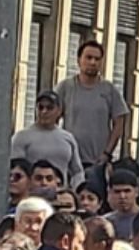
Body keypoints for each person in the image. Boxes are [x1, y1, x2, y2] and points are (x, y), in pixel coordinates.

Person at [54, 40, 131, 171]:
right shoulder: (65, 87)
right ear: (79, 60)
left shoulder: (109, 90)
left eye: (97, 59)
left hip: (97, 162)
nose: (93, 62)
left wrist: (107, 153)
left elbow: (119, 123)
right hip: (69, 160)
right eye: (88, 58)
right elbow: (51, 118)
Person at [10, 92, 86, 187]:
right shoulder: (21, 137)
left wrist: (76, 190)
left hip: (59, 195)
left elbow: (77, 172)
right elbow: (15, 171)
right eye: (40, 107)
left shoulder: (68, 138)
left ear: (59, 111)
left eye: (49, 108)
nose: (44, 111)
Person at [105, 170, 139, 242]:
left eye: (127, 191)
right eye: (117, 192)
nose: (122, 196)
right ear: (110, 193)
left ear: (136, 192)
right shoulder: (105, 222)